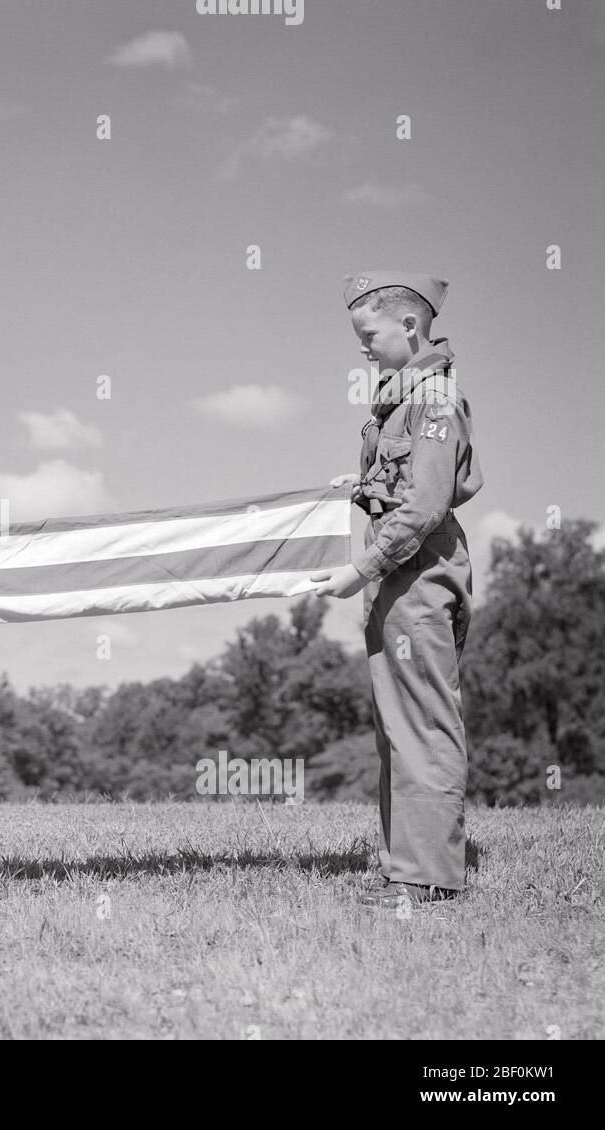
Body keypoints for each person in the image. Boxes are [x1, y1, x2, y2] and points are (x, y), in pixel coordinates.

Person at [310, 272, 483, 908]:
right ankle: (404, 868)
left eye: (369, 335)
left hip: (415, 572)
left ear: (410, 327)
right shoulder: (399, 397)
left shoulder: (434, 400)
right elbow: (400, 486)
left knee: (422, 724)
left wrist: (363, 568)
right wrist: (356, 489)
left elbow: (427, 505)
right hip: (397, 575)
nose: (362, 349)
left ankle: (428, 881)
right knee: (396, 725)